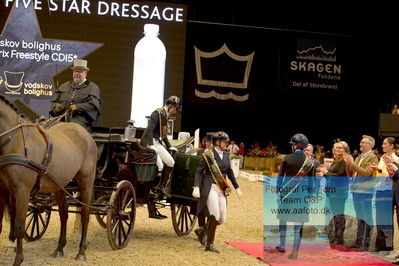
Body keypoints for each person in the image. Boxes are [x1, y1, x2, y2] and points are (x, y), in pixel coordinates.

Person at [192, 131, 242, 253]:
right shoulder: (208, 155)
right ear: (217, 142)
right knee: (215, 215)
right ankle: (209, 244)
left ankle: (202, 230)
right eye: (225, 142)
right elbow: (199, 171)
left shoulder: (226, 155)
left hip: (221, 189)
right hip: (210, 188)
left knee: (222, 219)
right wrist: (196, 187)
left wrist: (237, 188)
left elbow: (229, 172)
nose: (227, 144)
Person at [275, 133, 315, 260]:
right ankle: (295, 252)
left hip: (287, 195)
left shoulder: (287, 158)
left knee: (283, 219)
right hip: (302, 196)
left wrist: (279, 193)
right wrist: (309, 197)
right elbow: (311, 183)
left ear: (295, 146)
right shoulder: (309, 162)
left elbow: (280, 178)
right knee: (298, 225)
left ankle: (282, 245)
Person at [140, 96, 182, 196]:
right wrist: (150, 145)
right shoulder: (157, 113)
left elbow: (163, 134)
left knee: (171, 162)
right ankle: (150, 189)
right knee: (160, 165)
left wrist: (169, 145)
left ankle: (161, 186)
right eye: (174, 109)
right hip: (148, 142)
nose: (175, 111)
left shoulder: (165, 115)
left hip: (157, 142)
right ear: (170, 106)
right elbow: (149, 130)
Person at [343, 135, 378, 248]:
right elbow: (353, 172)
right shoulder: (359, 157)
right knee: (359, 216)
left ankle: (367, 243)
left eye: (363, 142)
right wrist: (348, 164)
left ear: (369, 145)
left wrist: (352, 163)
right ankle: (358, 241)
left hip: (366, 191)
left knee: (367, 216)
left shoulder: (373, 158)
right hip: (356, 190)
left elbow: (367, 173)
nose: (360, 144)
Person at [49, 59, 102, 132]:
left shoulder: (92, 87)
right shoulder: (64, 86)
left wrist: (78, 107)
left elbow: (93, 105)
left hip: (80, 122)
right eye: (75, 71)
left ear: (85, 74)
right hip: (61, 120)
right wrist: (56, 108)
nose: (76, 73)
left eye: (80, 72)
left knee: (70, 131)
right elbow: (54, 103)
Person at [367, 137, 399, 249]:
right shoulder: (382, 158)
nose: (382, 145)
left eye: (385, 144)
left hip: (388, 190)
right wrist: (376, 169)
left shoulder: (396, 159)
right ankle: (380, 242)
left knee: (387, 217)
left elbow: (392, 175)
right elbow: (382, 173)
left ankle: (390, 244)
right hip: (380, 188)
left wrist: (381, 170)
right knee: (379, 216)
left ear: (392, 146)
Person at [317, 141, 350, 244]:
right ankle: (336, 236)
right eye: (335, 147)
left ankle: (340, 238)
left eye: (340, 148)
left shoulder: (344, 161)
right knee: (335, 216)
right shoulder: (337, 160)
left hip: (339, 192)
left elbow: (339, 176)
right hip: (333, 191)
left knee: (339, 215)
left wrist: (326, 172)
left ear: (345, 150)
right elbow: (332, 175)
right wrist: (324, 174)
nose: (337, 149)